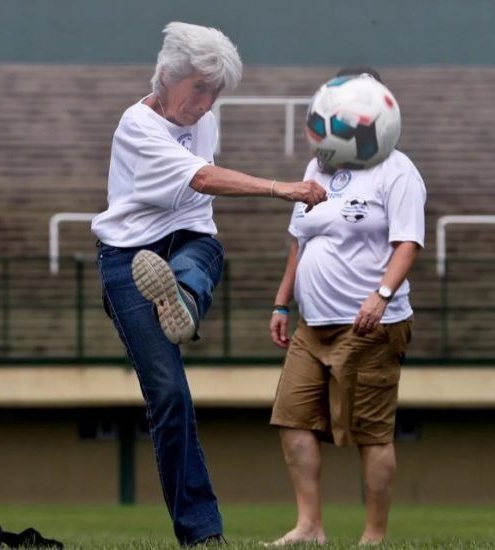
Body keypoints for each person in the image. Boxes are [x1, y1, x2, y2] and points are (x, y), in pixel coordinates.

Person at [91, 21, 326, 546]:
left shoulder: (206, 120)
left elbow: (198, 199)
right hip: (128, 258)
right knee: (170, 396)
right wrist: (280, 188)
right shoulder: (138, 125)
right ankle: (202, 534)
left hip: (190, 242)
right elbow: (200, 178)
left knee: (205, 251)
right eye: (199, 89)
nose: (206, 103)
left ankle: (185, 302)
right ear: (168, 77)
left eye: (215, 92)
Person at [267, 67, 426, 546]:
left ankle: (373, 535)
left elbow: (407, 243)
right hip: (311, 327)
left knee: (372, 434)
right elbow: (300, 241)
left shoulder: (397, 170)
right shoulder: (318, 167)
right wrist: (281, 303)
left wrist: (381, 296)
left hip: (370, 328)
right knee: (292, 421)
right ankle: (309, 526)